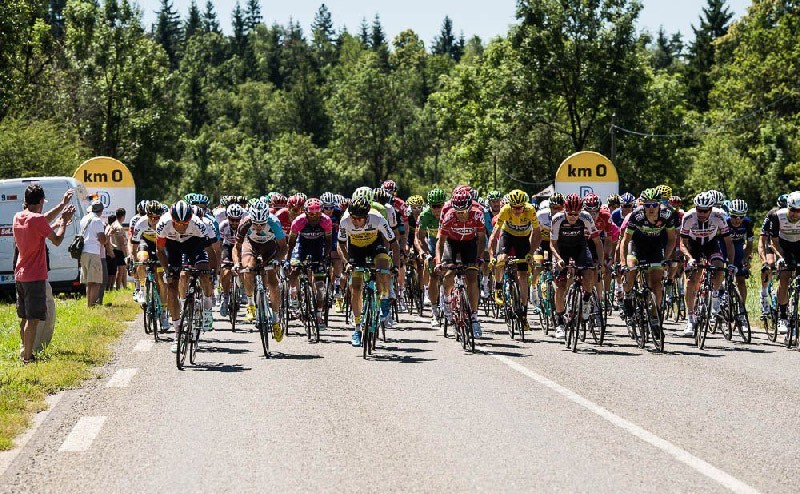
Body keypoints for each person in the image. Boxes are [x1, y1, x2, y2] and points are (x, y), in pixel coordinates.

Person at [12, 184, 75, 363]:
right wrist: (62, 224)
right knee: (33, 320)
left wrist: (61, 206)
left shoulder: (19, 217)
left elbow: (41, 221)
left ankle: (24, 350)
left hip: (20, 274)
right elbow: (56, 240)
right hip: (35, 276)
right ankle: (28, 357)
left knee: (24, 318)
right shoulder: (37, 220)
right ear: (40, 201)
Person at [80, 200, 108, 307]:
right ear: (100, 210)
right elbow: (102, 239)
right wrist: (105, 240)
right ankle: (92, 306)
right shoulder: (97, 221)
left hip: (84, 252)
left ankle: (89, 305)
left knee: (89, 282)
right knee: (96, 282)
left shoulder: (84, 219)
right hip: (93, 252)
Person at [108, 208, 129, 290]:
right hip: (119, 251)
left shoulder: (113, 224)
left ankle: (123, 287)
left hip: (115, 249)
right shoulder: (119, 227)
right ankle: (118, 288)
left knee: (120, 271)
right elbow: (121, 243)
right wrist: (125, 254)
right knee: (121, 271)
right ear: (123, 216)